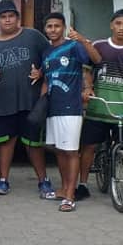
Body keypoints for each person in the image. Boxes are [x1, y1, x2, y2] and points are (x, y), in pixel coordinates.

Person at [0, 0, 54, 198]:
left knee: (33, 144)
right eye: (3, 17)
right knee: (6, 143)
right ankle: (3, 180)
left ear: (18, 18)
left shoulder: (33, 36)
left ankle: (43, 181)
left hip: (31, 101)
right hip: (2, 102)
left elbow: (51, 57)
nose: (8, 20)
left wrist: (42, 72)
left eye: (11, 16)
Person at [76, 9, 123, 201]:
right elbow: (86, 70)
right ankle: (83, 185)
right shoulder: (98, 46)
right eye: (118, 23)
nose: (122, 28)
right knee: (88, 147)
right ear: (111, 25)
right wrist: (88, 87)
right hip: (98, 109)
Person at [39, 13, 102, 212]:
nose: (53, 29)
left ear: (64, 27)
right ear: (45, 29)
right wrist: (41, 104)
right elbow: (46, 79)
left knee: (71, 152)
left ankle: (70, 196)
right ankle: (64, 188)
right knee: (59, 150)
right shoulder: (46, 52)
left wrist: (82, 39)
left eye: (57, 26)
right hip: (53, 109)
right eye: (49, 26)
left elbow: (96, 60)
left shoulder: (74, 46)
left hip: (70, 108)